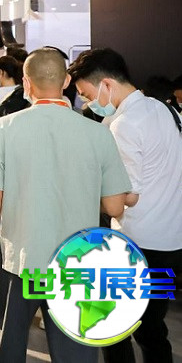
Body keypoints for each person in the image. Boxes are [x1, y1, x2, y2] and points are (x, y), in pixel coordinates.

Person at [0, 48, 131, 363]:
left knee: (7, 348)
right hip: (78, 261)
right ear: (67, 80)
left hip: (19, 258)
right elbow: (114, 207)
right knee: (76, 354)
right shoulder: (98, 133)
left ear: (26, 82)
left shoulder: (4, 128)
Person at [69, 48, 182, 363]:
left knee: (110, 326)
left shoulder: (124, 125)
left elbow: (121, 202)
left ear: (106, 84)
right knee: (151, 328)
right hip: (170, 238)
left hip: (139, 242)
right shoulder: (162, 109)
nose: (87, 102)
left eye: (86, 94)